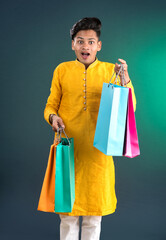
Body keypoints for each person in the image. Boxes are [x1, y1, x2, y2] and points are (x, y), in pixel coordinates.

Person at [44, 17, 136, 240]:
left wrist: (124, 78)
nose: (86, 46)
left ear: (99, 45)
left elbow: (129, 107)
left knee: (94, 216)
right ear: (73, 44)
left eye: (91, 42)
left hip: (98, 152)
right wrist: (53, 117)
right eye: (80, 41)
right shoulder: (62, 70)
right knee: (67, 214)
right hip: (68, 149)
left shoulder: (110, 71)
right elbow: (50, 105)